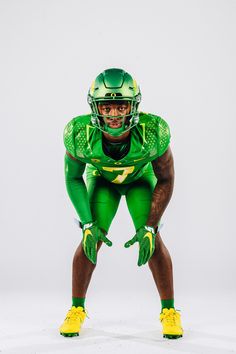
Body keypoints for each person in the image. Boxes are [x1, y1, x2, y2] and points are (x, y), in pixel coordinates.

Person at [59, 68, 183, 339]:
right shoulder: (80, 133)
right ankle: (76, 308)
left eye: (121, 106)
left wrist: (151, 226)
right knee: (91, 239)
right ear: (96, 108)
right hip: (103, 181)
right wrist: (88, 223)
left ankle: (169, 311)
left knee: (153, 240)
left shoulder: (153, 131)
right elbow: (73, 177)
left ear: (133, 106)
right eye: (107, 107)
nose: (114, 115)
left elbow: (166, 178)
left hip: (140, 178)